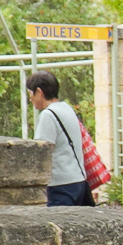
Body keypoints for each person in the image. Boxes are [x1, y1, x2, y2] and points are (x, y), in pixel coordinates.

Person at [27, 71, 90, 206]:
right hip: (78, 180)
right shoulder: (66, 108)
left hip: (60, 184)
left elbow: (42, 152)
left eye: (31, 93)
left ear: (39, 92)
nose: (30, 99)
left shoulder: (48, 115)